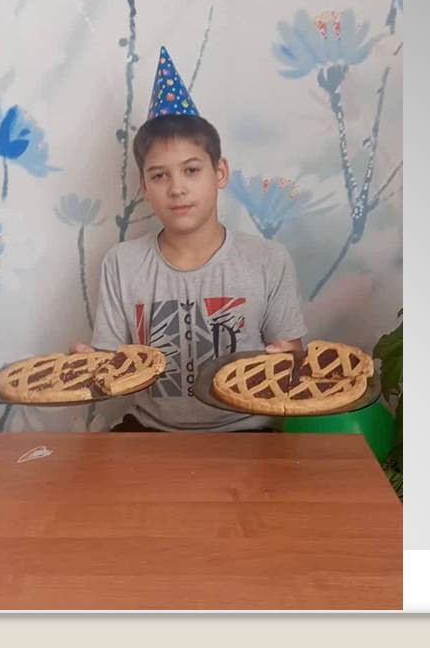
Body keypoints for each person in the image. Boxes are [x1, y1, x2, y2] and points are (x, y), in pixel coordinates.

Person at [71, 46, 307, 432]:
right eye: (160, 175)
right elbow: (108, 368)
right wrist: (86, 368)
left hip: (248, 431)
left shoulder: (267, 259)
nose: (177, 188)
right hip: (150, 431)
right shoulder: (122, 263)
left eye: (191, 170)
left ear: (220, 172)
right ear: (144, 185)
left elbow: (294, 358)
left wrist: (288, 357)